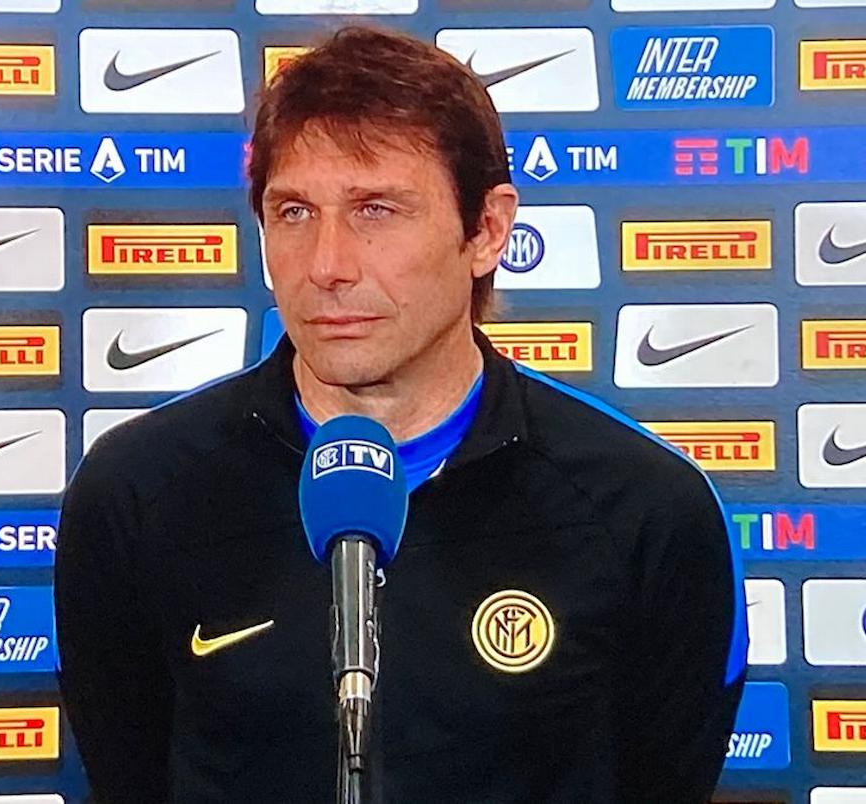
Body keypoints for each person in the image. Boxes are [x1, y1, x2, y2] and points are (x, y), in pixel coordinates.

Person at [54, 24, 746, 803]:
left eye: (376, 209)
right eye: (293, 212)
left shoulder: (644, 507)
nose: (327, 265)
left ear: (486, 231)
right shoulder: (139, 492)